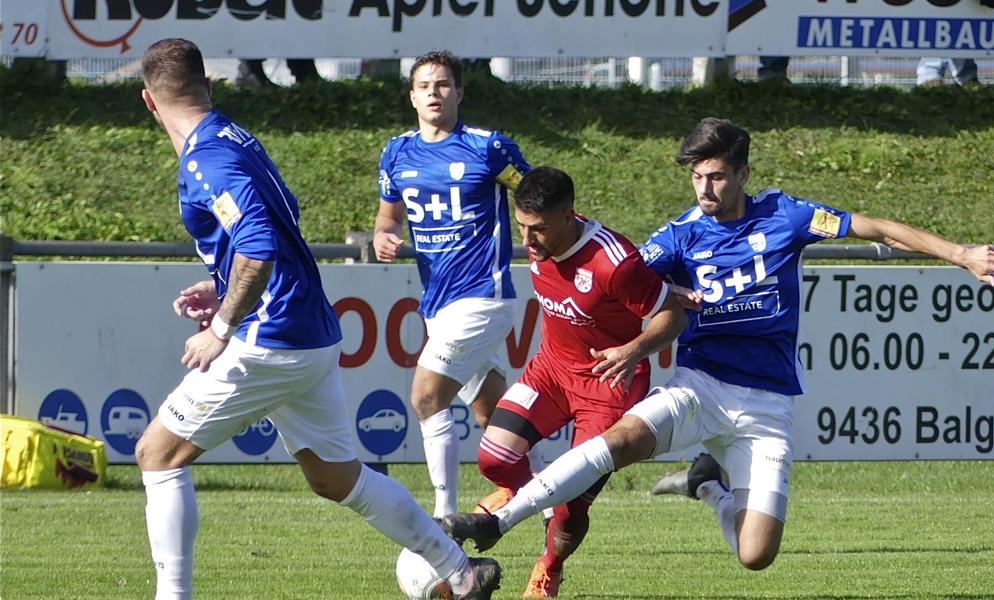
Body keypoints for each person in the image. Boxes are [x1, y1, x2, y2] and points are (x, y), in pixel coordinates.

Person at [440, 117, 994, 577]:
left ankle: (707, 485)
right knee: (618, 443)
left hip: (766, 406)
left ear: (742, 173)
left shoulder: (789, 216)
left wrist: (960, 253)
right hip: (700, 385)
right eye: (696, 176)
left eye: (715, 175)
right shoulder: (679, 234)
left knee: (755, 556)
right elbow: (628, 282)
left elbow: (875, 227)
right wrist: (635, 338)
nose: (704, 187)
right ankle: (500, 520)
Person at [134, 38, 500, 600]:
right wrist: (222, 283)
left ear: (149, 102)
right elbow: (277, 225)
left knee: (157, 455)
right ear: (208, 86)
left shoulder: (208, 158)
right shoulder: (234, 136)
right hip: (308, 333)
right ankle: (460, 572)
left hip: (270, 338)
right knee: (337, 478)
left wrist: (221, 326)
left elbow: (258, 246)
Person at [464, 167, 687, 597]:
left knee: (568, 512)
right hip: (551, 369)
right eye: (522, 227)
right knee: (493, 459)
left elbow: (671, 316)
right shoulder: (539, 240)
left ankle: (550, 566)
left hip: (608, 385)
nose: (527, 241)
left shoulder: (612, 260)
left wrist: (632, 350)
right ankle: (522, 494)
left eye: (539, 230)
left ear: (569, 216)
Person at [373, 49, 543, 519]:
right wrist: (385, 237)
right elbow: (387, 219)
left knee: (427, 395)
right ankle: (550, 492)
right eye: (425, 85)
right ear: (412, 96)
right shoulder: (396, 152)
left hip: (482, 297)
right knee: (493, 414)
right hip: (437, 304)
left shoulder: (488, 147)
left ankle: (443, 516)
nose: (434, 92)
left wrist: (540, 240)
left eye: (443, 84)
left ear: (459, 93)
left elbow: (535, 199)